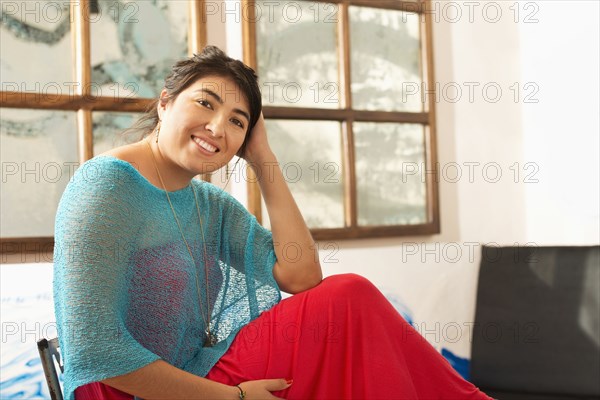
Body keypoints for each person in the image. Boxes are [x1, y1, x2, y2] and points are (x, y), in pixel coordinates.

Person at [53, 45, 493, 400]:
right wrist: (233, 398)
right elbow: (96, 348)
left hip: (196, 374)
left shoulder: (207, 203)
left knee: (347, 301)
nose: (217, 127)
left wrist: (264, 159)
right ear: (165, 103)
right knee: (349, 299)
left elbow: (300, 276)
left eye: (237, 122)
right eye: (204, 104)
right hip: (132, 389)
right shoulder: (106, 185)